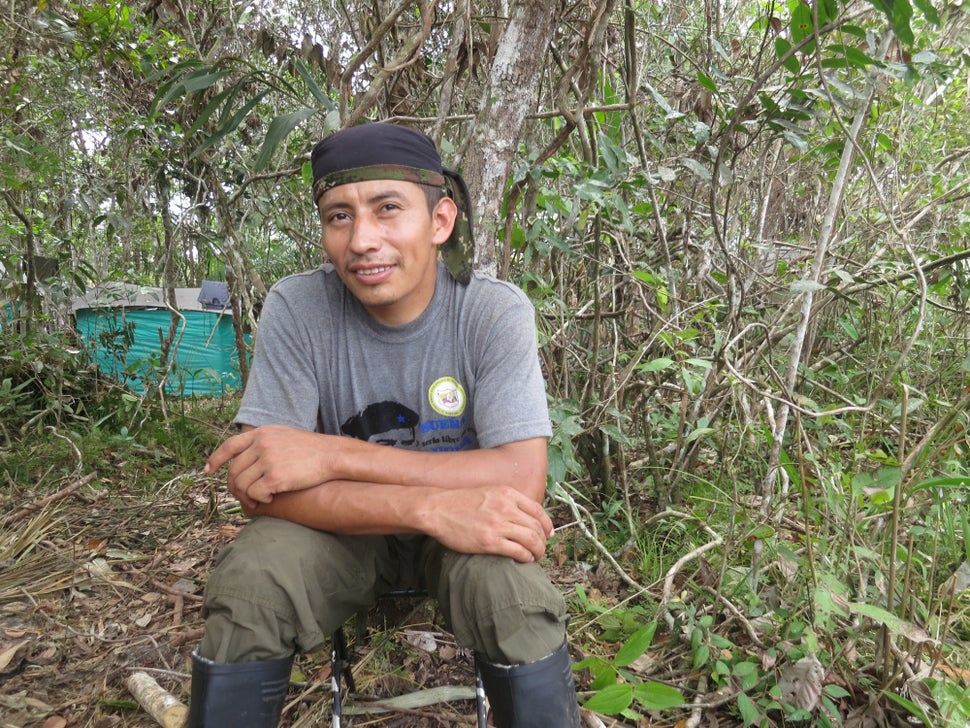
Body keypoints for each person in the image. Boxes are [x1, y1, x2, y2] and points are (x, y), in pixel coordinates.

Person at [187, 122, 581, 728]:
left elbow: (520, 478)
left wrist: (332, 456)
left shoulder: (490, 310)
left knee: (515, 596)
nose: (362, 239)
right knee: (252, 584)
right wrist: (426, 507)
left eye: (388, 209)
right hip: (344, 532)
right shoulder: (299, 308)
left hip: (459, 536)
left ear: (440, 221)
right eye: (338, 216)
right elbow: (261, 488)